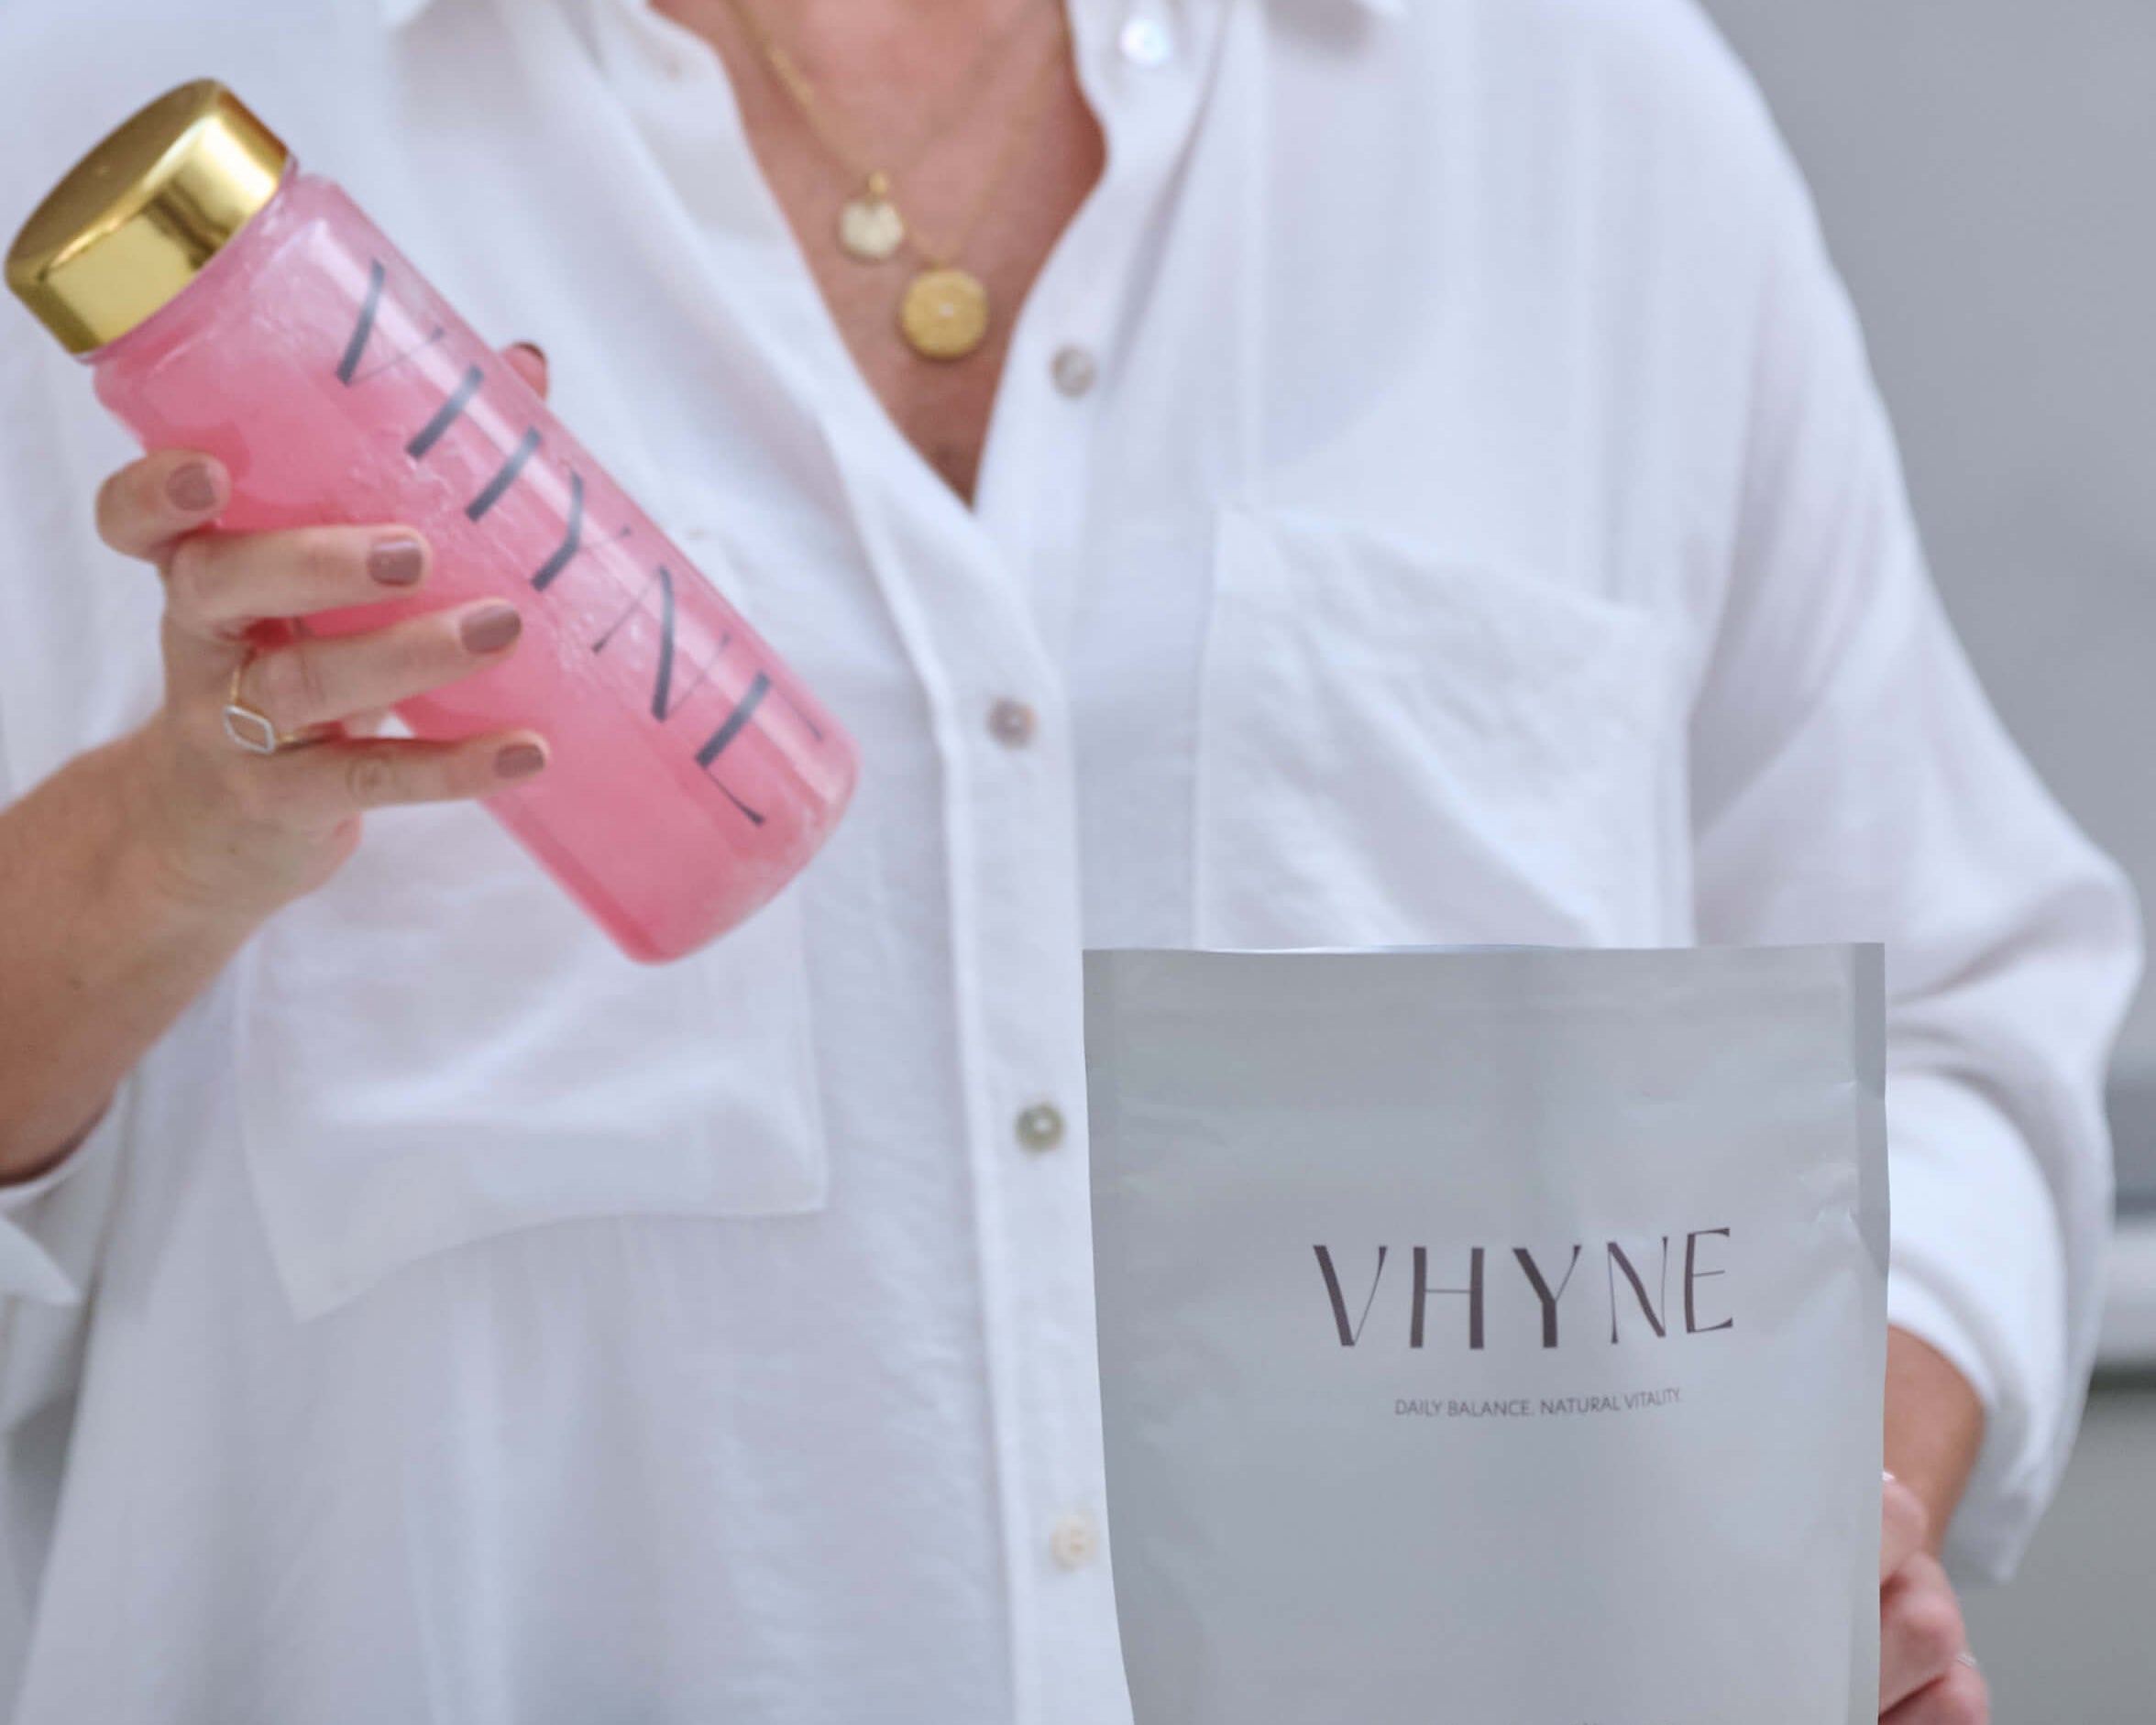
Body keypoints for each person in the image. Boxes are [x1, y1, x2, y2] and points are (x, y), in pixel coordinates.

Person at [0, 0, 2138, 1720]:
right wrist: (164, 840)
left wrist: (1790, 1549)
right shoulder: (102, 116)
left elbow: (1950, 1011)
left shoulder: (1588, 114)